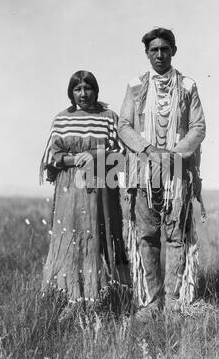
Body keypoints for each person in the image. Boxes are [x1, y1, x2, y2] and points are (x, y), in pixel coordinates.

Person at [118, 28, 206, 317]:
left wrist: (174, 155)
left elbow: (198, 127)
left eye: (164, 49)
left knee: (177, 236)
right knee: (147, 236)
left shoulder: (188, 86)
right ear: (146, 53)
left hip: (177, 173)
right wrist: (147, 150)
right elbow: (124, 125)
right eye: (153, 50)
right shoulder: (135, 86)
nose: (159, 54)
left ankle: (173, 301)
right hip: (144, 172)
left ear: (173, 51)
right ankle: (153, 301)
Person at [40, 70, 130, 316]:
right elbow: (52, 157)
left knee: (103, 235)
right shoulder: (62, 119)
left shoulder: (109, 118)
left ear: (95, 90)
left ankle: (108, 296)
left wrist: (93, 155)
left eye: (87, 88)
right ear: (71, 92)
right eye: (77, 89)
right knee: (72, 238)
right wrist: (73, 160)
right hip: (70, 190)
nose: (83, 94)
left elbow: (121, 150)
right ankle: (70, 296)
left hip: (102, 187)